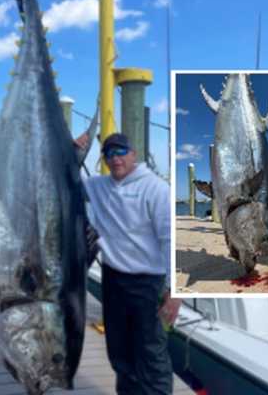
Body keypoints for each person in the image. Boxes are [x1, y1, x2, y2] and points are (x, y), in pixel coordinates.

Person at [75, 132, 173, 395]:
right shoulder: (98, 186)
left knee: (152, 357)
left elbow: (169, 240)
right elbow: (64, 179)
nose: (115, 159)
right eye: (109, 154)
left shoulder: (156, 189)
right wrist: (71, 150)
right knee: (119, 355)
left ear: (133, 155)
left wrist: (173, 292)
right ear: (104, 159)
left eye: (120, 152)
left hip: (148, 284)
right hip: (113, 281)